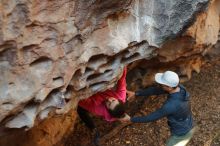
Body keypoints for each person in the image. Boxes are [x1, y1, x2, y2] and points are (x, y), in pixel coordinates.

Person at [120, 71, 196, 146]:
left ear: (169, 87)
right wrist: (136, 93)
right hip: (188, 123)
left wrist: (131, 119)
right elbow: (155, 90)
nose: (160, 85)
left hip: (182, 133)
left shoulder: (170, 106)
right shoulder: (180, 88)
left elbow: (150, 117)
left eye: (162, 85)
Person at [78, 67, 132, 145]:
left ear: (107, 109)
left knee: (81, 111)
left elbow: (80, 100)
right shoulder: (121, 96)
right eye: (113, 100)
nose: (109, 100)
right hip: (103, 90)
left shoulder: (98, 108)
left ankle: (94, 129)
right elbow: (122, 78)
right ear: (118, 100)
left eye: (109, 104)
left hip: (92, 95)